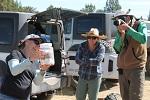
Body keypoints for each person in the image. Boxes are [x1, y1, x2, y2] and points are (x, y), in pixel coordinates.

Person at [0, 34, 50, 100]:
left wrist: (43, 70)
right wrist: (30, 60)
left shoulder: (35, 61)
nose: (38, 45)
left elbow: (37, 82)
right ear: (26, 42)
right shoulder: (15, 54)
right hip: (8, 96)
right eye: (36, 42)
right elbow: (14, 71)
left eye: (40, 44)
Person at [113, 12, 147, 100]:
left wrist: (128, 29)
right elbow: (117, 48)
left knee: (135, 97)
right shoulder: (119, 31)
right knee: (125, 97)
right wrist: (122, 36)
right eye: (116, 20)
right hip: (122, 70)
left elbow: (143, 39)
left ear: (128, 17)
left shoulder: (140, 25)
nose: (118, 22)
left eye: (120, 19)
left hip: (136, 69)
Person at [75, 28, 107, 100]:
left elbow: (98, 61)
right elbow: (77, 60)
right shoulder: (82, 45)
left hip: (95, 77)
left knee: (93, 98)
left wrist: (84, 61)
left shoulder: (101, 47)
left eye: (94, 37)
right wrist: (91, 62)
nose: (91, 39)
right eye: (89, 37)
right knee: (79, 97)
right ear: (87, 38)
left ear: (97, 39)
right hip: (82, 76)